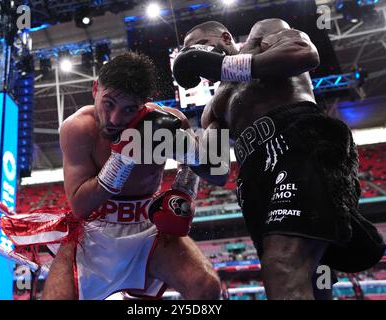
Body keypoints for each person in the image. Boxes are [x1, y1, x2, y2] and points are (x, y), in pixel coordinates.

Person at [173, 19, 385, 300]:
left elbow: (304, 53)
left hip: (300, 144)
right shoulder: (213, 107)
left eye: (198, 48)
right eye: (188, 54)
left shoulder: (263, 33)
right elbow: (216, 168)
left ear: (225, 37)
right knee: (310, 272)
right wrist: (173, 145)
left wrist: (222, 66)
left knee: (282, 263)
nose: (194, 58)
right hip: (256, 176)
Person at [20, 52, 223, 300]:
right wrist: (123, 157)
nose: (115, 118)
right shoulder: (79, 129)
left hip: (148, 230)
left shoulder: (169, 122)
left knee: (206, 288)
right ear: (96, 89)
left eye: (129, 109)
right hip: (90, 232)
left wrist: (183, 191)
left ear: (144, 104)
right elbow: (81, 206)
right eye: (108, 103)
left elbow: (211, 168)